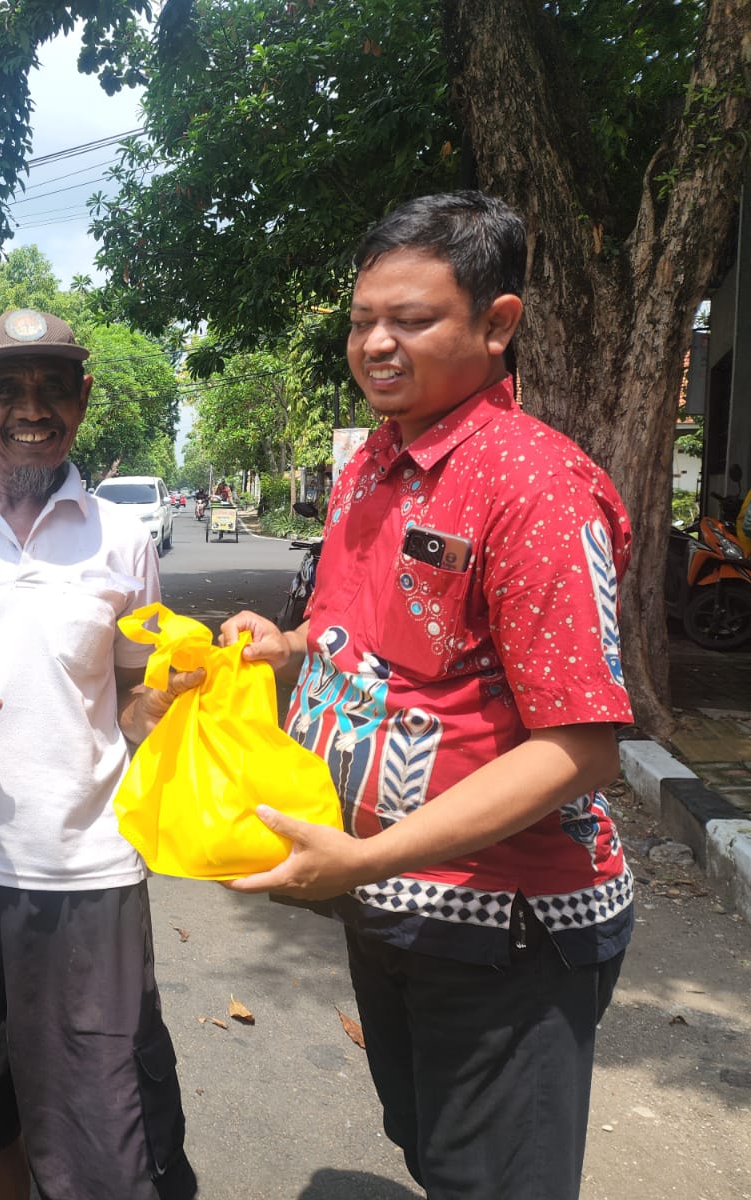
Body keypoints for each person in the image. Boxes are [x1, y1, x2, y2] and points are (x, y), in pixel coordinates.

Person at [219, 192, 633, 1200]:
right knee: (431, 1146)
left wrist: (361, 856)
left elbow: (579, 747)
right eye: (364, 321)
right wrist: (280, 647)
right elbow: (358, 632)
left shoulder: (532, 486)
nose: (378, 346)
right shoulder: (374, 463)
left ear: (497, 325)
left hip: (502, 923)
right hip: (389, 905)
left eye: (413, 320)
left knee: (492, 1180)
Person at [0, 308, 200, 1200]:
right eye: (6, 389)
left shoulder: (122, 539)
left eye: (54, 387)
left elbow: (132, 698)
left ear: (82, 401)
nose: (32, 407)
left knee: (99, 1124)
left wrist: (168, 701)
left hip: (87, 868)